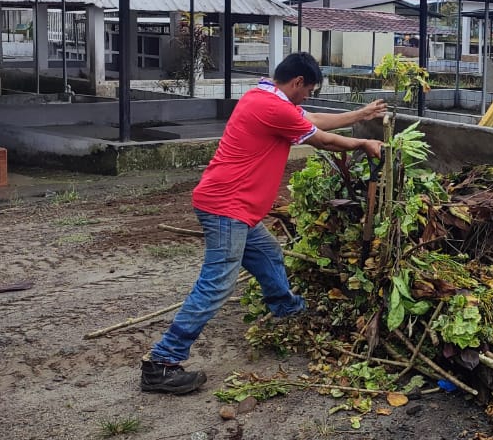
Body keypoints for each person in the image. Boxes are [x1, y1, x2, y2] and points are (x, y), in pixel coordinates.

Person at [140, 52, 387, 395]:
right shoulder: (273, 107)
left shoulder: (264, 96)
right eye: (308, 90)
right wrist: (363, 142)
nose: (307, 97)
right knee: (217, 284)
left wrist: (360, 115)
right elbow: (321, 139)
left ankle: (288, 311)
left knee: (268, 254)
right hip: (227, 208)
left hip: (235, 207)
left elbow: (313, 119)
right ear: (297, 82)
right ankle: (162, 362)